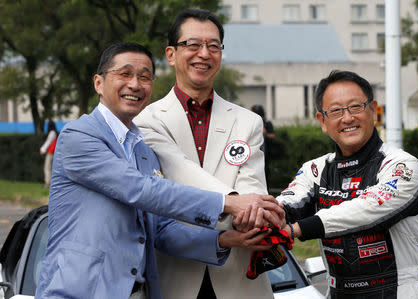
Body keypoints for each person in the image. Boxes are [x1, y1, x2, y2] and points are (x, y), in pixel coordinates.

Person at [35, 42, 284, 299]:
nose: (135, 84)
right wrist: (229, 203)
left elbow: (163, 230)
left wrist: (227, 239)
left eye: (144, 77)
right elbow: (141, 190)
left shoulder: (144, 151)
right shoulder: (79, 136)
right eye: (125, 74)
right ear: (98, 83)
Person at [135, 8, 274, 299]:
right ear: (171, 54)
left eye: (213, 46)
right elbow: (177, 175)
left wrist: (251, 214)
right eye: (193, 44)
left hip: (239, 279)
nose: (204, 53)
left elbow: (252, 186)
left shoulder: (247, 122)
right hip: (175, 275)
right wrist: (237, 203)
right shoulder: (146, 121)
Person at [276, 70, 418, 298]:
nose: (347, 118)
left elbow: (366, 209)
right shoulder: (315, 170)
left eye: (355, 107)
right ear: (322, 120)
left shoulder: (402, 165)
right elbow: (288, 203)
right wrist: (266, 215)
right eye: (336, 110)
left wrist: (297, 229)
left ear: (372, 110)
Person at [251, 105, 276, 182]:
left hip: (265, 150)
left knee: (264, 171)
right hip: (253, 150)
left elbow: (273, 135)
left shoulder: (266, 122)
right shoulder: (251, 122)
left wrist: (265, 134)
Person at [39, 120, 58, 188]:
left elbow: (48, 142)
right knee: (52, 169)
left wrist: (42, 150)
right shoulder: (55, 133)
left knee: (47, 168)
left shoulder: (51, 133)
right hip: (54, 153)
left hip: (50, 153)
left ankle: (47, 184)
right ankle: (52, 184)